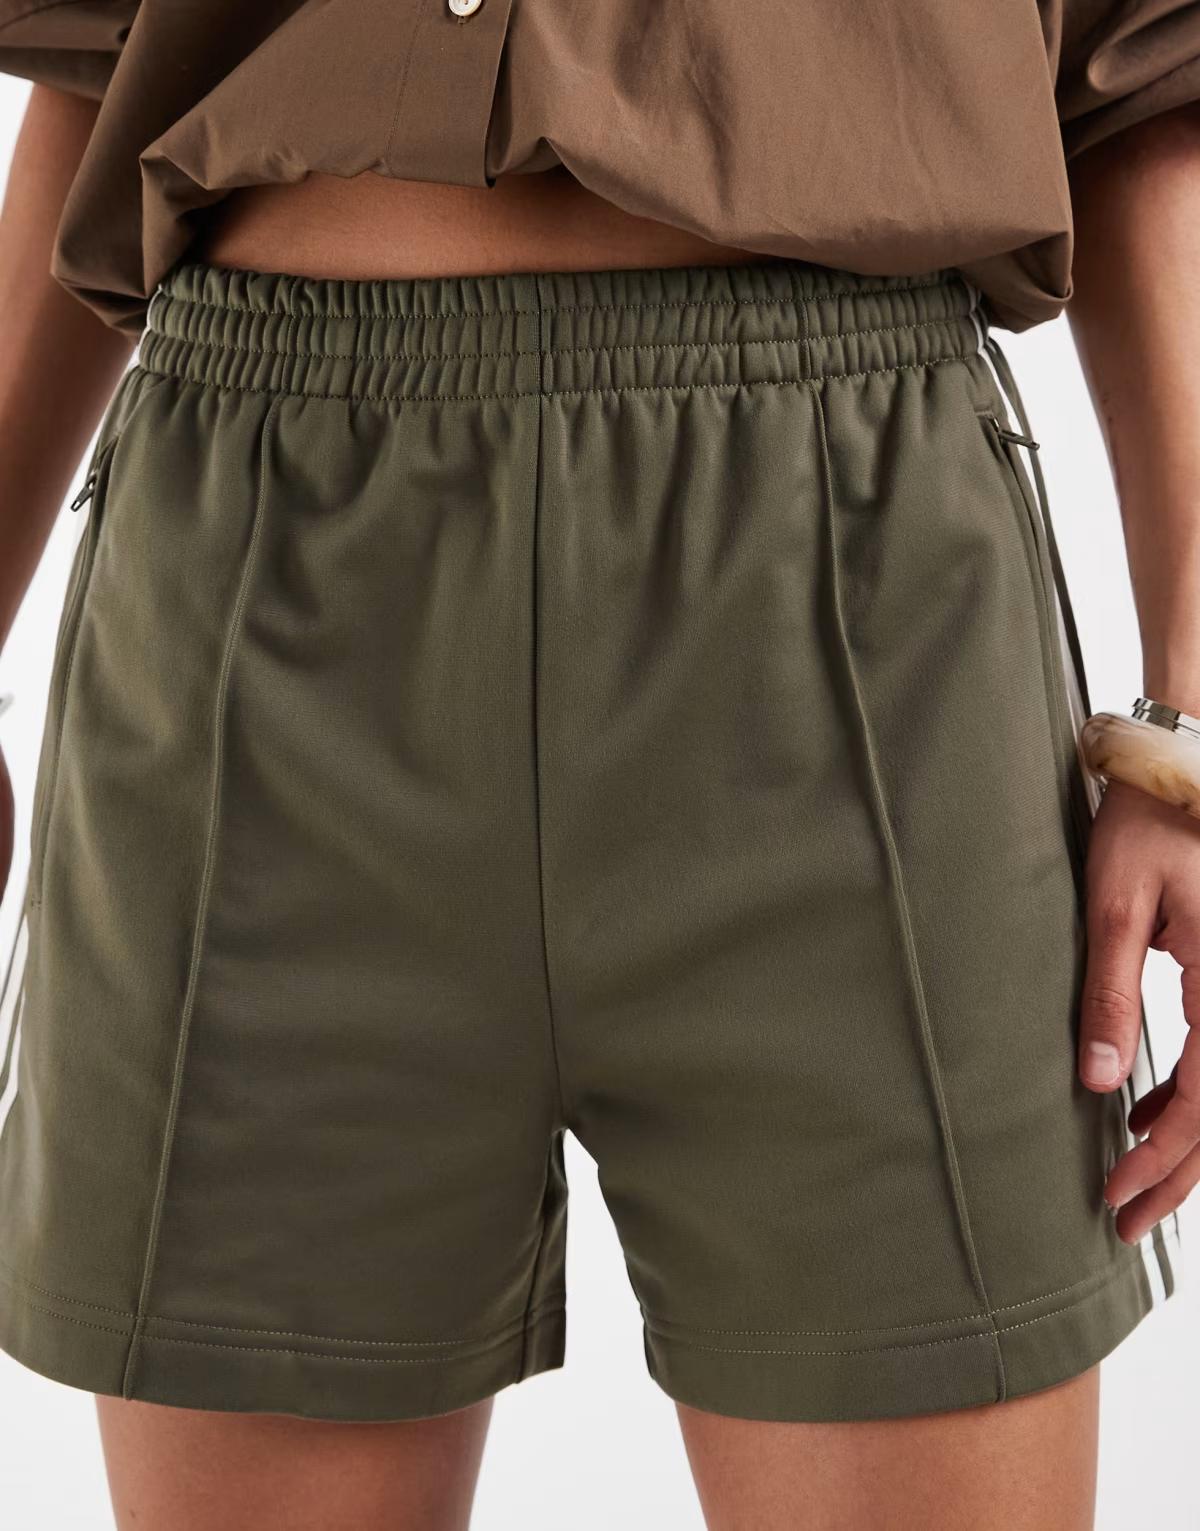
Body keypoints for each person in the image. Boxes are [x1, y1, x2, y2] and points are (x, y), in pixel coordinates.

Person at [0, 4, 1195, 1527]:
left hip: (850, 588)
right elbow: (104, 66)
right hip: (263, 589)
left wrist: (1189, 728)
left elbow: (1143, 70)